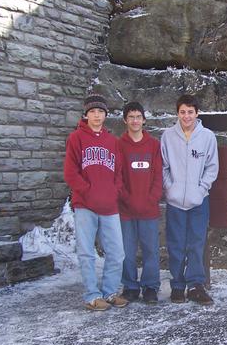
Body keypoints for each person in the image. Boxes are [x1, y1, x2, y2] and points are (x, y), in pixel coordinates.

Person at [63, 95, 128, 311]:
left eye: (100, 111)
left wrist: (114, 191)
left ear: (105, 115)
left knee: (117, 251)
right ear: (86, 114)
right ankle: (92, 295)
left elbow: (119, 172)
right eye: (92, 111)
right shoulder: (76, 138)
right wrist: (88, 191)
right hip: (85, 205)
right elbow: (70, 172)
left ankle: (109, 292)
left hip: (109, 205)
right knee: (86, 252)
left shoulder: (113, 142)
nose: (96, 115)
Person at [161, 94, 219, 305]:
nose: (186, 116)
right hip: (175, 201)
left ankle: (196, 285)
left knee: (196, 243)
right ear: (178, 113)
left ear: (197, 113)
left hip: (198, 200)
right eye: (183, 112)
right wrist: (170, 188)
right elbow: (163, 166)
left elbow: (212, 167)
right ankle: (177, 285)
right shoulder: (168, 136)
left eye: (190, 112)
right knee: (175, 244)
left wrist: (201, 188)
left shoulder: (207, 137)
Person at [118, 101, 163, 304]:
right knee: (126, 252)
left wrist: (152, 198)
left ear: (144, 120)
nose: (135, 121)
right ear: (125, 120)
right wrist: (126, 199)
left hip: (148, 209)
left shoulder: (153, 145)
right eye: (131, 117)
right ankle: (130, 286)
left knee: (151, 250)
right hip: (126, 209)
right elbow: (116, 177)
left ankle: (151, 286)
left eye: (138, 117)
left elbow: (158, 176)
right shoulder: (119, 144)